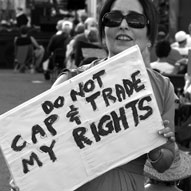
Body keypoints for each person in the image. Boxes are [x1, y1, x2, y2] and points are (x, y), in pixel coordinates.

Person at [10, 0, 176, 190]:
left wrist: (156, 149)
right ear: (103, 30)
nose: (123, 25)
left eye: (135, 19)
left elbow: (165, 163)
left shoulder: (163, 88)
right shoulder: (72, 81)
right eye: (113, 18)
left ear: (149, 35)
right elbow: (37, 144)